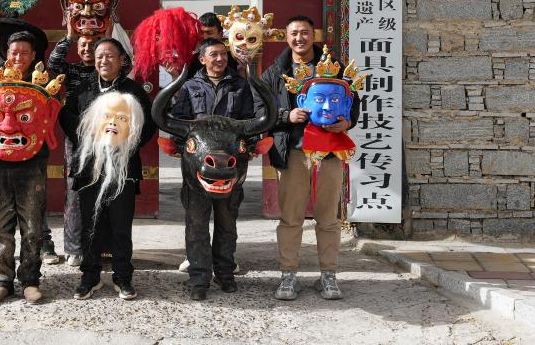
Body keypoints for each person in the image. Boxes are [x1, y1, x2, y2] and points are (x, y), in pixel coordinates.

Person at [261, 15, 361, 302]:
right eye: (294, 33)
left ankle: (328, 275)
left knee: (328, 218)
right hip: (294, 152)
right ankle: (288, 275)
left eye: (305, 32)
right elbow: (261, 109)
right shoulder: (274, 73)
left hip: (329, 153)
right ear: (286, 37)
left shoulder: (334, 68)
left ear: (313, 35)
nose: (299, 38)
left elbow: (353, 103)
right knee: (291, 218)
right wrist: (286, 115)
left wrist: (347, 123)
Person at [61, 38, 156, 301]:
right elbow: (66, 116)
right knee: (90, 224)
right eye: (100, 56)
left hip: (123, 168)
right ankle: (89, 276)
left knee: (120, 225)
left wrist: (127, 141)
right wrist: (88, 134)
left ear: (122, 59)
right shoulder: (83, 89)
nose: (104, 60)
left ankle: (123, 277)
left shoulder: (134, 91)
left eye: (110, 56)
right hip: (89, 168)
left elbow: (148, 125)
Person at [171, 38, 257, 300]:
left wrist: (250, 145)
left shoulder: (240, 86)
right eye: (213, 55)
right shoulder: (188, 87)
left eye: (223, 54)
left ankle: (225, 274)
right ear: (202, 59)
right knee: (196, 224)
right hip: (198, 171)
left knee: (227, 224)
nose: (219, 59)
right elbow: (178, 123)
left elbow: (251, 121)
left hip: (231, 169)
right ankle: (199, 278)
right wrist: (183, 146)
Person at [0, 31, 52, 304]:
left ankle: (30, 279)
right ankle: (2, 279)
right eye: (14, 52)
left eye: (24, 53)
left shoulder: (42, 83)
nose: (19, 57)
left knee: (32, 224)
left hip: (32, 161)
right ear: (6, 54)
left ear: (33, 56)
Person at [47, 25, 99, 268]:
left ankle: (101, 246)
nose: (88, 49)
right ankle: (74, 248)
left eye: (92, 45)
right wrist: (68, 37)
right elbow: (53, 64)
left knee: (104, 190)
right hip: (76, 136)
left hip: (104, 136)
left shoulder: (107, 70)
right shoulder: (72, 70)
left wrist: (109, 34)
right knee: (75, 191)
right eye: (83, 45)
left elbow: (127, 63)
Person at [186, 12, 238, 77]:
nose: (204, 37)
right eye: (201, 33)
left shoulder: (235, 58)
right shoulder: (192, 60)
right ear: (201, 59)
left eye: (209, 33)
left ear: (221, 34)